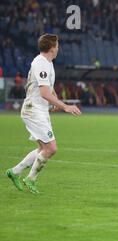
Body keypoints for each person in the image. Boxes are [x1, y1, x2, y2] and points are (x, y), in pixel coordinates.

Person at [5, 34, 81, 194]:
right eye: (57, 45)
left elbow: (49, 89)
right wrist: (65, 106)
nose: (58, 48)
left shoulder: (47, 63)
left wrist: (55, 102)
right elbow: (45, 92)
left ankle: (15, 172)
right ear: (52, 48)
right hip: (33, 110)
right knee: (51, 148)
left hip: (39, 109)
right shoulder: (41, 63)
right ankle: (30, 179)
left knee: (43, 148)